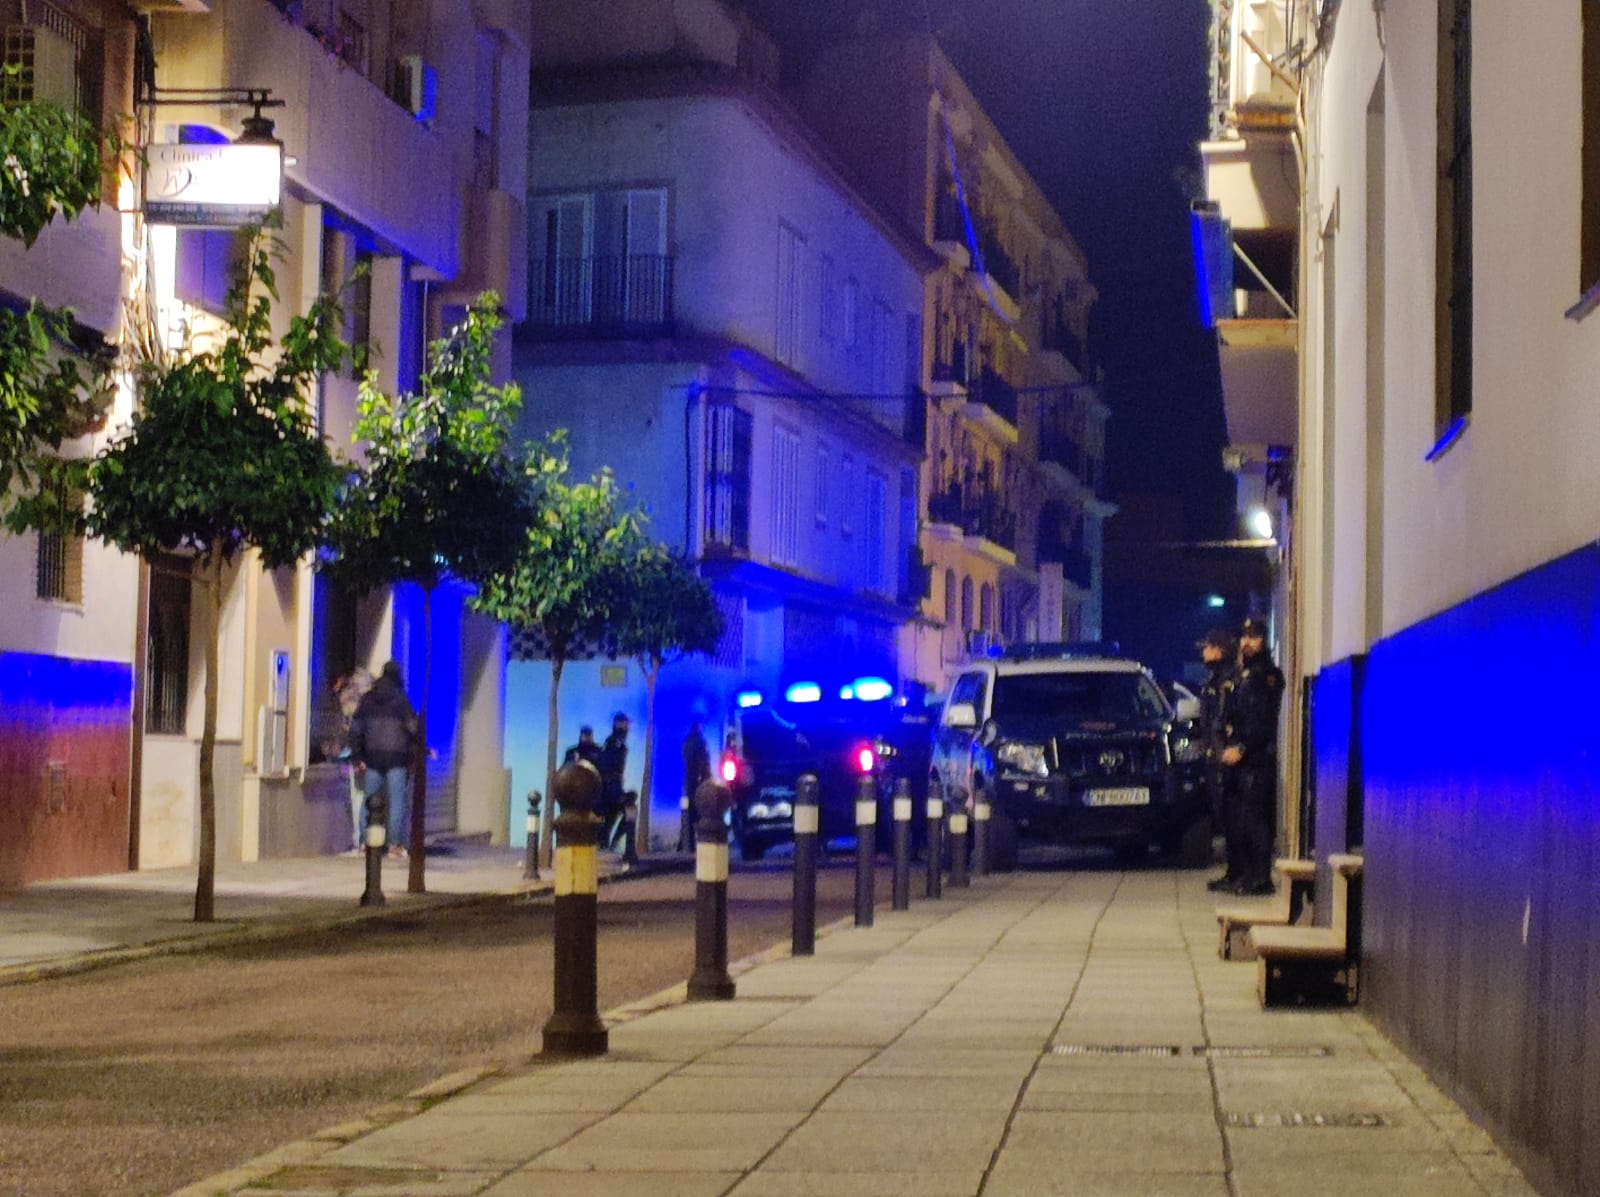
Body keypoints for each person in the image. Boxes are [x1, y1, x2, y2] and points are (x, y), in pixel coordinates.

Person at [1219, 616, 1285, 896]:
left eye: (1254, 637)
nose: (1247, 642)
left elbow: (1262, 722)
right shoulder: (1243, 674)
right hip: (1240, 758)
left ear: (1263, 640)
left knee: (1257, 820)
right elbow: (1236, 714)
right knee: (1238, 819)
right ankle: (1243, 874)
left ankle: (1260, 877)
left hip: (1256, 759)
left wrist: (1243, 748)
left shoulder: (1267, 676)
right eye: (1244, 637)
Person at [348, 660, 420, 859]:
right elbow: (413, 729)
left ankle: (365, 842)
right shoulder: (401, 700)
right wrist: (416, 753)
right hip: (397, 758)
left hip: (372, 758)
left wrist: (358, 757)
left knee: (370, 800)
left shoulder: (367, 700)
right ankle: (394, 844)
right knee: (397, 801)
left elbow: (356, 730)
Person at [1197, 628, 1241, 892]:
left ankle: (1239, 870)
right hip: (1216, 756)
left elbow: (1228, 719)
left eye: (1208, 647)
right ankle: (1233, 871)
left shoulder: (1229, 679)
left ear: (1220, 649)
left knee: (1233, 816)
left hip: (1226, 756)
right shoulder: (1215, 679)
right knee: (1224, 815)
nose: (1204, 652)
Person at [597, 713, 630, 848]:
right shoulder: (613, 742)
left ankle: (606, 843)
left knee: (612, 816)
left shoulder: (618, 742)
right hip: (611, 785)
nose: (627, 727)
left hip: (613, 784)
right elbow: (606, 764)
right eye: (624, 723)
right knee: (628, 810)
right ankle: (612, 842)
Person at [679, 717, 711, 851]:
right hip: (697, 783)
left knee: (688, 814)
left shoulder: (687, 741)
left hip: (688, 782)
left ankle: (686, 844)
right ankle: (697, 843)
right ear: (699, 726)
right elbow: (703, 761)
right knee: (699, 813)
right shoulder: (700, 741)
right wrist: (706, 777)